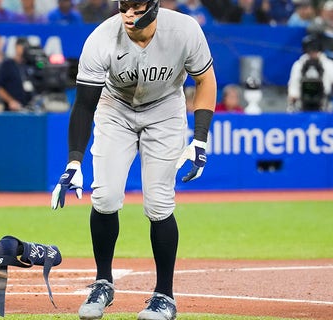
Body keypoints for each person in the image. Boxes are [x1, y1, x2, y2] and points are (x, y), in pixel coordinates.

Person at [49, 0, 216, 319]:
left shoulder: (184, 30)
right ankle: (103, 283)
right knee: (106, 196)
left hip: (165, 110)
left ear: (154, 7)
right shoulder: (101, 38)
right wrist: (74, 161)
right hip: (116, 109)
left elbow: (205, 79)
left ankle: (164, 295)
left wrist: (200, 138)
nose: (128, 15)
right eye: (124, 6)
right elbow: (84, 104)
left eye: (137, 8)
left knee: (158, 203)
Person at [287, 34, 333, 112]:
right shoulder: (298, 65)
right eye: (310, 49)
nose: (312, 52)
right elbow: (292, 89)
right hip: (302, 106)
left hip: (324, 105)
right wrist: (293, 97)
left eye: (315, 49)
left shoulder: (330, 65)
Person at [0, 38, 37, 112]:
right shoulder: (7, 65)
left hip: (29, 108)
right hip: (12, 109)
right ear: (16, 47)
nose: (23, 49)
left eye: (25, 47)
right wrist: (11, 101)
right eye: (21, 46)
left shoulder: (30, 65)